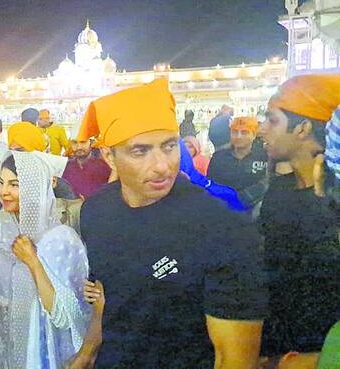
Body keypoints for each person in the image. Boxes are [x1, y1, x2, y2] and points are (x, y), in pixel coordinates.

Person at [69, 78, 266, 369]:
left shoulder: (221, 228)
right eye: (140, 151)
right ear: (109, 156)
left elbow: (234, 357)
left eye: (169, 146)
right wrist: (85, 355)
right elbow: (108, 293)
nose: (162, 165)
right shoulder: (96, 211)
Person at [257, 74, 340, 360]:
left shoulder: (333, 202)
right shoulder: (280, 192)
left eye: (272, 120)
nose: (261, 129)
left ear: (303, 127)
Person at [0, 151, 90, 368]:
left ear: (34, 187)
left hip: (44, 353)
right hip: (9, 349)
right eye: (1, 182)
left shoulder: (61, 240)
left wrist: (33, 262)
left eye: (14, 184)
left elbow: (65, 318)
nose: (4, 191)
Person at [8, 121, 76, 199]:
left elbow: (68, 206)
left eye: (20, 151)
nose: (15, 155)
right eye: (11, 151)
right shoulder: (6, 175)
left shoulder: (53, 180)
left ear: (36, 152)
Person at [208, 116, 268, 192]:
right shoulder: (219, 157)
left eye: (244, 132)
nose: (238, 136)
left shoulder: (264, 156)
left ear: (253, 135)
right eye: (235, 132)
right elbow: (210, 185)